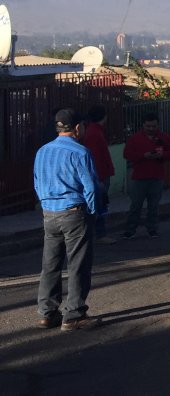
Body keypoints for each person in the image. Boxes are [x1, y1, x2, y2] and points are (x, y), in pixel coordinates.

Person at [34, 109, 102, 331]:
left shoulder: (42, 151)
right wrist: (94, 212)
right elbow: (90, 187)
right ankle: (73, 314)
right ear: (78, 128)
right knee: (78, 265)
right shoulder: (81, 152)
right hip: (74, 212)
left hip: (49, 213)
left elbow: (37, 183)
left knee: (50, 265)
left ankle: (47, 313)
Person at [122, 113, 170, 239]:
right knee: (136, 205)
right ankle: (130, 229)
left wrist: (162, 155)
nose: (151, 129)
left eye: (153, 126)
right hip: (139, 177)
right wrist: (143, 156)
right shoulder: (135, 138)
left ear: (158, 125)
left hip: (157, 177)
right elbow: (127, 154)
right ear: (143, 125)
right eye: (148, 126)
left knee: (154, 206)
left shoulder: (164, 138)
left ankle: (152, 229)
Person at [81, 104, 115, 245]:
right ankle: (99, 234)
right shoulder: (94, 133)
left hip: (100, 174)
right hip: (99, 176)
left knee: (100, 205)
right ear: (104, 116)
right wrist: (99, 177)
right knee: (99, 206)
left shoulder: (94, 131)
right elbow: (95, 158)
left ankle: (98, 233)